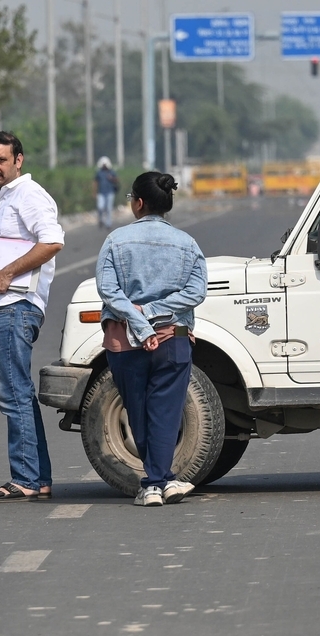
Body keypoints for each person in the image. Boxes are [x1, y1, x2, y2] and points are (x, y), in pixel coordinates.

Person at [95, 171, 208, 507]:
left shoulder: (115, 240)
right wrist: (157, 311)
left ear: (139, 203)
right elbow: (196, 291)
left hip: (125, 342)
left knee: (138, 409)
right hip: (172, 338)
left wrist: (138, 318)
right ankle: (164, 481)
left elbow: (108, 290)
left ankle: (155, 483)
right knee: (165, 412)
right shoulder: (187, 243)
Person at [0, 132, 65, 503]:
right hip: (3, 305)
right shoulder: (7, 197)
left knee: (12, 392)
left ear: (19, 160)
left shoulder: (28, 195)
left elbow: (52, 240)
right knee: (18, 392)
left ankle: (25, 477)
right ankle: (37, 477)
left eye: (2, 160)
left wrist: (8, 272)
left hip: (14, 306)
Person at [94, 156, 120, 229]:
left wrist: (111, 178)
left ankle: (108, 223)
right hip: (101, 192)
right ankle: (101, 220)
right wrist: (94, 192)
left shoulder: (111, 172)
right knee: (100, 207)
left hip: (110, 192)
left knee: (109, 209)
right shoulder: (99, 172)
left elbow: (117, 180)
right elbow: (95, 182)